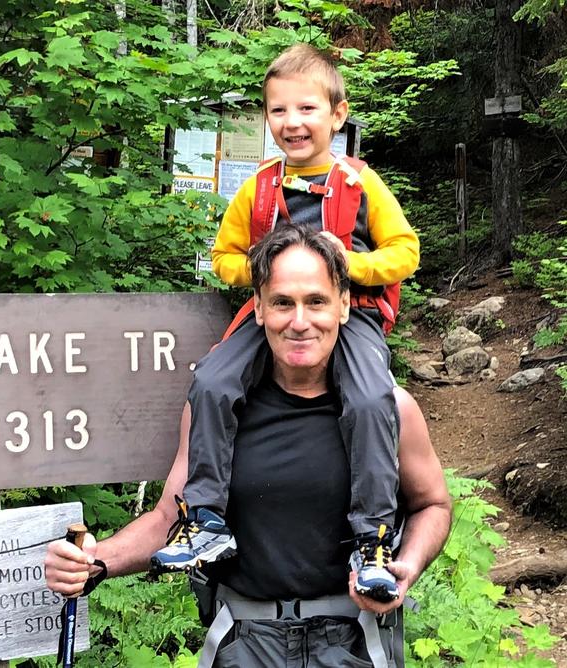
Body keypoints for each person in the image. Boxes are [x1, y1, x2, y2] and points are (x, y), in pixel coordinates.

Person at [45, 227, 450, 667]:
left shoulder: (390, 409)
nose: (299, 321)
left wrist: (405, 566)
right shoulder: (219, 411)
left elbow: (432, 505)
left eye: (316, 301)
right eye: (282, 302)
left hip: (354, 640)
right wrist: (97, 560)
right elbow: (170, 516)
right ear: (258, 308)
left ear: (344, 305)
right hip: (245, 642)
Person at [150, 43, 420, 605]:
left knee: (373, 399)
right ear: (266, 117)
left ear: (337, 115)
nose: (292, 123)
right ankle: (205, 519)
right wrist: (257, 269)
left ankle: (372, 539)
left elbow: (405, 251)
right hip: (269, 312)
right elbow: (222, 257)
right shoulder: (259, 188)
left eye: (307, 109)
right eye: (279, 111)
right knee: (212, 382)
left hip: (351, 315)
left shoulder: (359, 183)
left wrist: (350, 267)